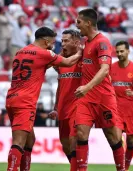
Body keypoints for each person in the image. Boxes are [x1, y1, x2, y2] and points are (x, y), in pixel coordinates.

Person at [5, 26, 82, 171]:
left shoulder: (20, 52)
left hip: (11, 98)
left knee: (30, 140)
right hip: (25, 101)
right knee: (19, 142)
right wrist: (80, 52)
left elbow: (46, 65)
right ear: (46, 41)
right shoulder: (44, 53)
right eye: (53, 43)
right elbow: (68, 62)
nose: (54, 46)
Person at [75, 8, 124, 171]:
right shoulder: (87, 43)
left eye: (79, 22)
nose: (77, 25)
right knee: (81, 134)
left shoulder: (102, 42)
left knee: (114, 138)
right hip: (86, 98)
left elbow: (104, 70)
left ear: (89, 23)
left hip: (103, 96)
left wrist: (87, 87)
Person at [48, 29, 81, 171]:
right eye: (62, 41)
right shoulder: (61, 62)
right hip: (63, 108)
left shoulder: (84, 59)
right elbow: (60, 86)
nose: (62, 43)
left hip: (78, 107)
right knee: (65, 144)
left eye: (66, 40)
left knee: (74, 141)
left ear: (76, 42)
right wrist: (56, 107)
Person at [111, 41, 133, 171]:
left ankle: (126, 168)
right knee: (117, 140)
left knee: (130, 142)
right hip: (116, 110)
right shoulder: (111, 67)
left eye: (122, 51)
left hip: (131, 110)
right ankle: (120, 168)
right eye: (117, 51)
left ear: (128, 51)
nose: (119, 54)